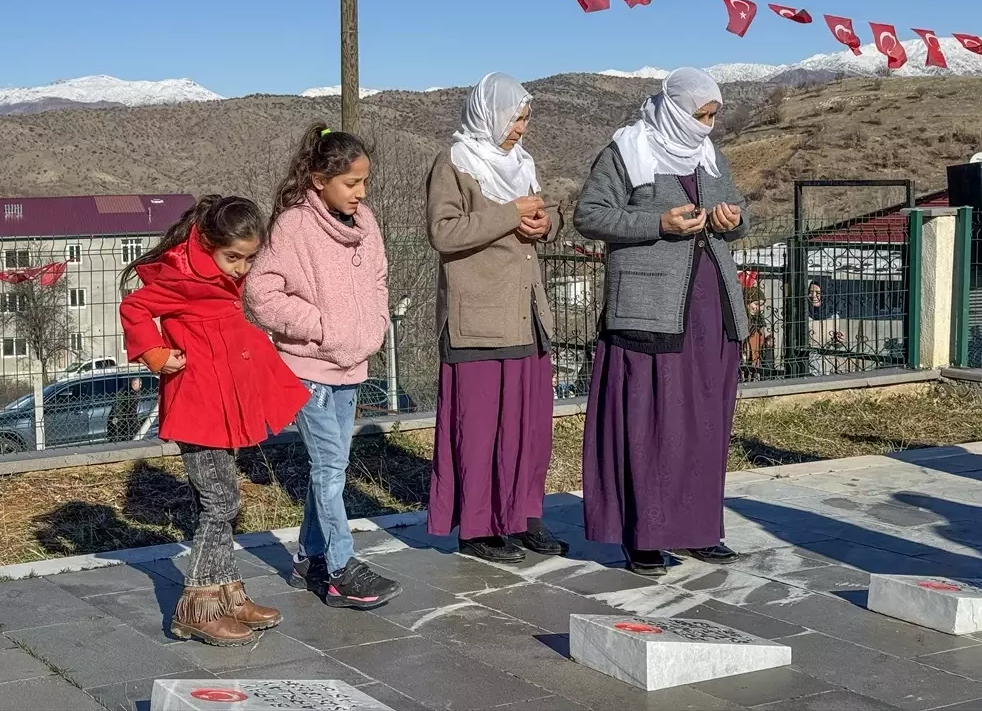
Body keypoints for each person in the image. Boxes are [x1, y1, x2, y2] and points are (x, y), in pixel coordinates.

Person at [575, 67, 750, 577]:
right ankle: (645, 536)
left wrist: (733, 220)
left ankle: (697, 529)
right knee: (653, 424)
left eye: (715, 115)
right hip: (650, 308)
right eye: (701, 115)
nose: (709, 126)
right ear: (674, 109)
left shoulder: (709, 155)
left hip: (710, 306)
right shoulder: (627, 152)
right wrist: (659, 221)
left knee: (705, 423)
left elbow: (740, 209)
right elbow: (590, 215)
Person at [120, 195, 309, 646]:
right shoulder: (182, 276)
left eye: (248, 259)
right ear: (206, 242)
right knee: (219, 503)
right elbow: (135, 307)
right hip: (197, 407)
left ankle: (227, 593)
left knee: (225, 499)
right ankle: (198, 607)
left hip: (221, 405)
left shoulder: (220, 275)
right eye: (233, 258)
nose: (241, 269)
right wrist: (156, 354)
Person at [245, 123, 402, 610]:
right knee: (330, 466)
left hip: (351, 365)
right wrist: (322, 325)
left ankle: (310, 557)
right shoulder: (294, 226)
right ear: (318, 179)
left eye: (364, 182)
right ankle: (340, 569)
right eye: (351, 183)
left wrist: (372, 326)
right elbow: (260, 292)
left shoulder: (367, 222)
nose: (361, 193)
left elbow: (378, 278)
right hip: (308, 367)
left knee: (331, 466)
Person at [425, 72, 567, 563]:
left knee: (528, 427)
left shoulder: (521, 163)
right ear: (490, 115)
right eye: (516, 118)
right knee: (480, 426)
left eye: (526, 119)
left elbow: (543, 214)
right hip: (479, 318)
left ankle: (523, 514)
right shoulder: (456, 162)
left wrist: (548, 223)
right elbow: (444, 232)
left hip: (527, 314)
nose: (521, 129)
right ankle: (480, 528)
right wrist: (509, 214)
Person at [107, 377, 146, 442]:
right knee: (121, 437)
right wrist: (116, 416)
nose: (141, 387)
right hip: (122, 419)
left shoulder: (134, 392)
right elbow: (118, 406)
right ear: (135, 384)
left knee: (132, 436)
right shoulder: (126, 392)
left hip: (129, 419)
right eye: (140, 385)